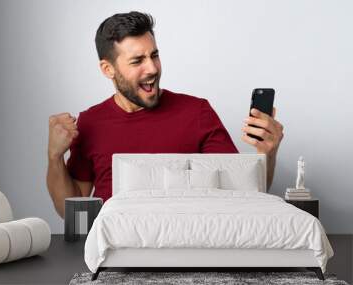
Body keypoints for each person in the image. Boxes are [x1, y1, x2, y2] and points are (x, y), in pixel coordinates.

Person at [47, 11, 284, 218]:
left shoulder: (197, 111)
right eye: (137, 60)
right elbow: (72, 208)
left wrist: (268, 153)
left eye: (154, 55)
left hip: (188, 243)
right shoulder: (90, 122)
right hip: (116, 251)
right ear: (108, 69)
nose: (152, 68)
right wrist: (55, 157)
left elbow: (242, 193)